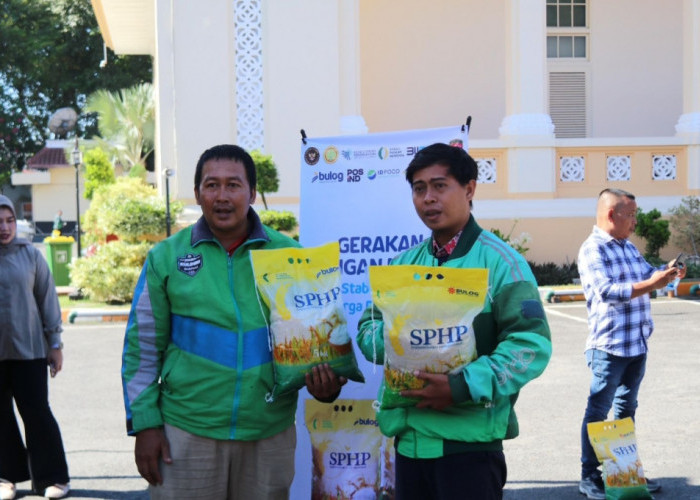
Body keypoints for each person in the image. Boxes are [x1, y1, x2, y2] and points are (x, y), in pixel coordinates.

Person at [121, 144, 346, 499]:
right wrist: (145, 424)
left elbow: (318, 343)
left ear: (252, 193)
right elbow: (141, 349)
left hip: (268, 434)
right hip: (186, 431)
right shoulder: (166, 258)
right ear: (197, 193)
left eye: (234, 185)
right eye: (212, 185)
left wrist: (327, 386)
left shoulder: (291, 256)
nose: (222, 196)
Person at [356, 143, 552, 500]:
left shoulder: (502, 264)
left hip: (470, 448)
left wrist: (461, 385)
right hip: (409, 444)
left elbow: (530, 344)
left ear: (469, 188)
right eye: (419, 189)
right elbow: (368, 327)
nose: (428, 198)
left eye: (439, 186)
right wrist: (397, 341)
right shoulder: (402, 266)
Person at [577, 188, 684, 499]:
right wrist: (652, 282)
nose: (635, 221)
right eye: (632, 215)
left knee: (626, 411)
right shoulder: (593, 249)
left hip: (636, 344)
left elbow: (649, 274)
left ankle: (624, 474)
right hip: (609, 347)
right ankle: (589, 476)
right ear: (612, 215)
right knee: (598, 411)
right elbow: (607, 291)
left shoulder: (628, 247)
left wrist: (668, 273)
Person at [0, 195, 70, 500]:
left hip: (29, 351)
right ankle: (6, 478)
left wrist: (55, 344)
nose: (5, 228)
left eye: (9, 220)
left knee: (37, 413)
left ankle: (53, 478)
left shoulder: (30, 255)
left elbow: (47, 300)